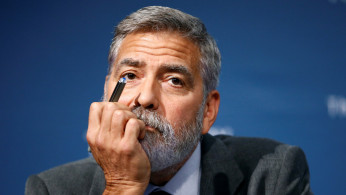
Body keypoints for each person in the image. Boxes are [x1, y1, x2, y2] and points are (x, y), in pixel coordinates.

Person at [25, 6, 312, 195]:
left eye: (174, 80)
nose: (145, 98)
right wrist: (122, 188)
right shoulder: (53, 189)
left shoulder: (272, 175)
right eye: (129, 76)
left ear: (208, 110)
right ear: (106, 92)